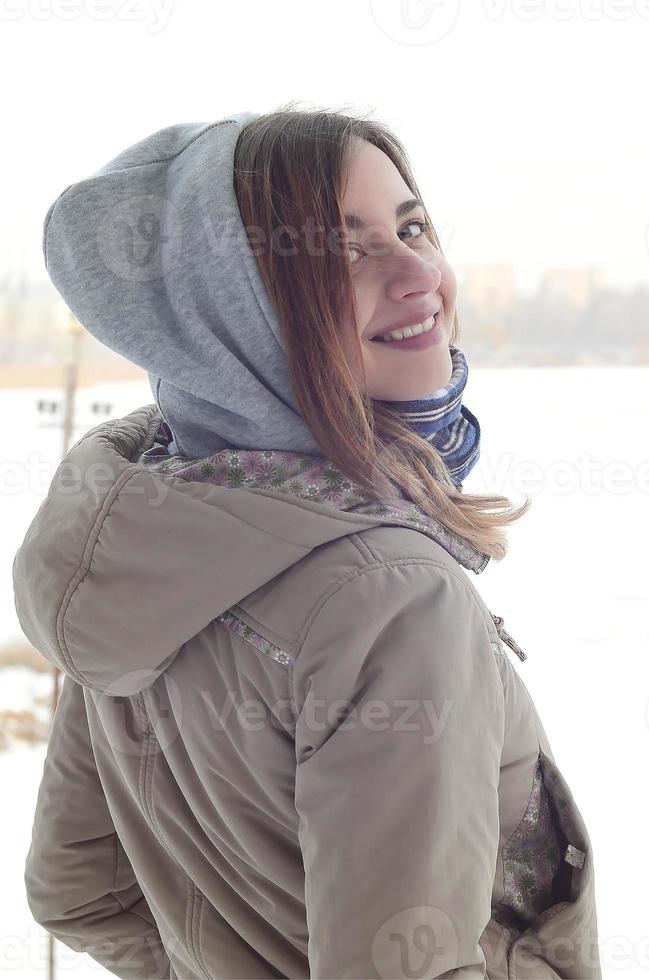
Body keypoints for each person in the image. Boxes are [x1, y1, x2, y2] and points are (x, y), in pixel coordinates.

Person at [13, 103, 602, 979]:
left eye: (410, 226)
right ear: (234, 317)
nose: (418, 273)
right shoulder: (393, 599)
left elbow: (77, 888)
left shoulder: (153, 536)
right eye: (341, 252)